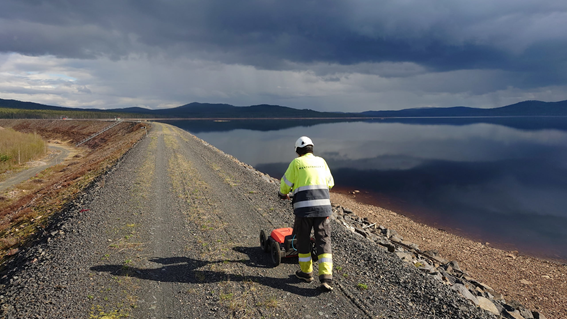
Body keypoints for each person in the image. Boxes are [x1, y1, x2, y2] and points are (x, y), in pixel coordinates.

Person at [278, 136, 335, 292]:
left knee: (302, 240)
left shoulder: (296, 163)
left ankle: (306, 273)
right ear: (312, 148)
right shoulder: (321, 162)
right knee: (323, 240)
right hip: (323, 209)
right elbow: (330, 183)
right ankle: (326, 277)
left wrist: (283, 193)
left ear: (298, 151)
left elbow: (285, 185)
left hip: (304, 210)